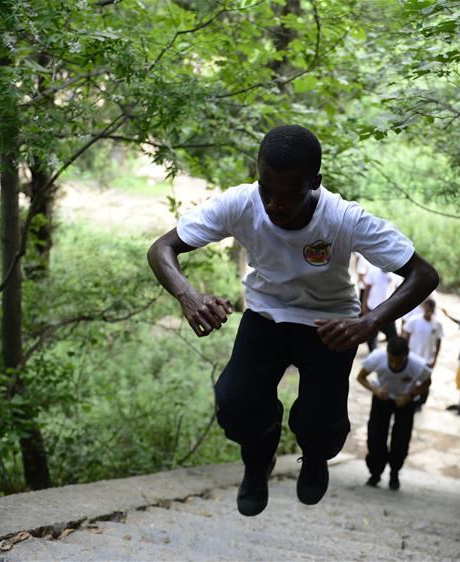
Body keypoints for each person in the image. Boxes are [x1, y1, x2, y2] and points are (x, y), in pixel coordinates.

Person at [147, 125, 439, 516]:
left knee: (322, 425)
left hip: (331, 324)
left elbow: (424, 274)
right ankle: (258, 458)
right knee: (235, 405)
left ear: (314, 182)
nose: (273, 204)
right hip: (267, 314)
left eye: (288, 194)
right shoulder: (240, 203)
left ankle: (315, 455)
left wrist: (369, 323)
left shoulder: (344, 219)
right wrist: (189, 296)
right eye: (266, 189)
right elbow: (162, 248)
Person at [356, 337, 431, 491]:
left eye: (399, 361)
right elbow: (361, 377)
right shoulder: (377, 357)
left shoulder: (417, 365)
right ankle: (375, 473)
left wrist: (409, 396)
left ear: (407, 356)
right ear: (387, 353)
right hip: (381, 398)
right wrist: (375, 390)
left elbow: (427, 382)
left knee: (401, 439)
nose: (395, 364)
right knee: (376, 436)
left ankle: (394, 473)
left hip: (405, 402)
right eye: (392, 360)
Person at [401, 298, 443, 411]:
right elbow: (405, 337)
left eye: (431, 309)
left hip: (427, 358)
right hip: (413, 356)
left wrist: (435, 358)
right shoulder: (414, 320)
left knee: (425, 380)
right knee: (409, 379)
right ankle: (408, 398)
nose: (429, 311)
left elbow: (438, 342)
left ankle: (421, 403)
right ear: (423, 308)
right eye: (427, 308)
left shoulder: (437, 324)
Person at [362, 263, 398, 351]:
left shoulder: (395, 274)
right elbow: (367, 289)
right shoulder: (373, 271)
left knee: (392, 335)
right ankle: (373, 352)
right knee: (371, 335)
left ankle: (392, 353)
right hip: (373, 308)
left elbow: (398, 290)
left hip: (387, 310)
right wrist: (364, 306)